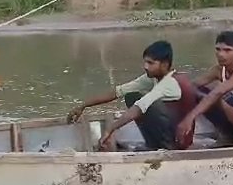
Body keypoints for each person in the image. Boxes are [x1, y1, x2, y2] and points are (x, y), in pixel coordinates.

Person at [67, 40, 198, 151]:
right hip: (169, 130)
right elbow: (118, 92)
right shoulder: (152, 78)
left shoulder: (169, 83)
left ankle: (166, 147)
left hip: (179, 141)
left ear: (164, 64)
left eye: (150, 63)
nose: (145, 66)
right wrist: (83, 105)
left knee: (147, 104)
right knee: (131, 95)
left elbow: (140, 107)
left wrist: (110, 129)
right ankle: (153, 145)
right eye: (145, 62)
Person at [179, 31, 233, 147]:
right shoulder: (218, 70)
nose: (221, 54)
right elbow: (193, 85)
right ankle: (228, 135)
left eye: (227, 50)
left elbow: (218, 92)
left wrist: (190, 117)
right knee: (198, 92)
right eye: (218, 49)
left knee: (223, 97)